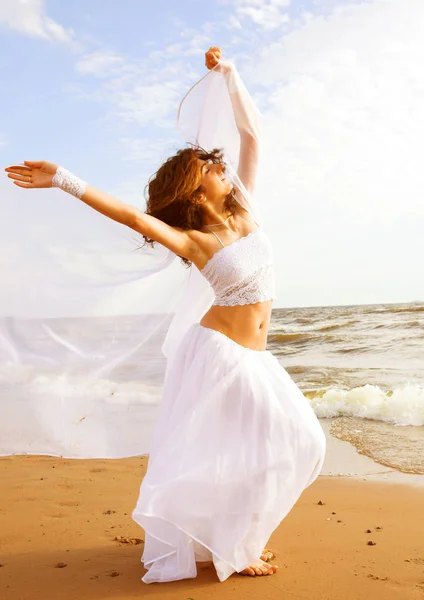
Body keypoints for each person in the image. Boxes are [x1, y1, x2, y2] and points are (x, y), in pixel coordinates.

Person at [4, 46, 326, 582]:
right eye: (211, 168)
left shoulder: (246, 209)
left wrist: (230, 74)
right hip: (221, 355)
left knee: (290, 444)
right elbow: (133, 216)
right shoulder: (192, 240)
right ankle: (238, 547)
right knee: (263, 448)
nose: (222, 169)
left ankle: (234, 541)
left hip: (255, 358)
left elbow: (253, 136)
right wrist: (64, 178)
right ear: (195, 187)